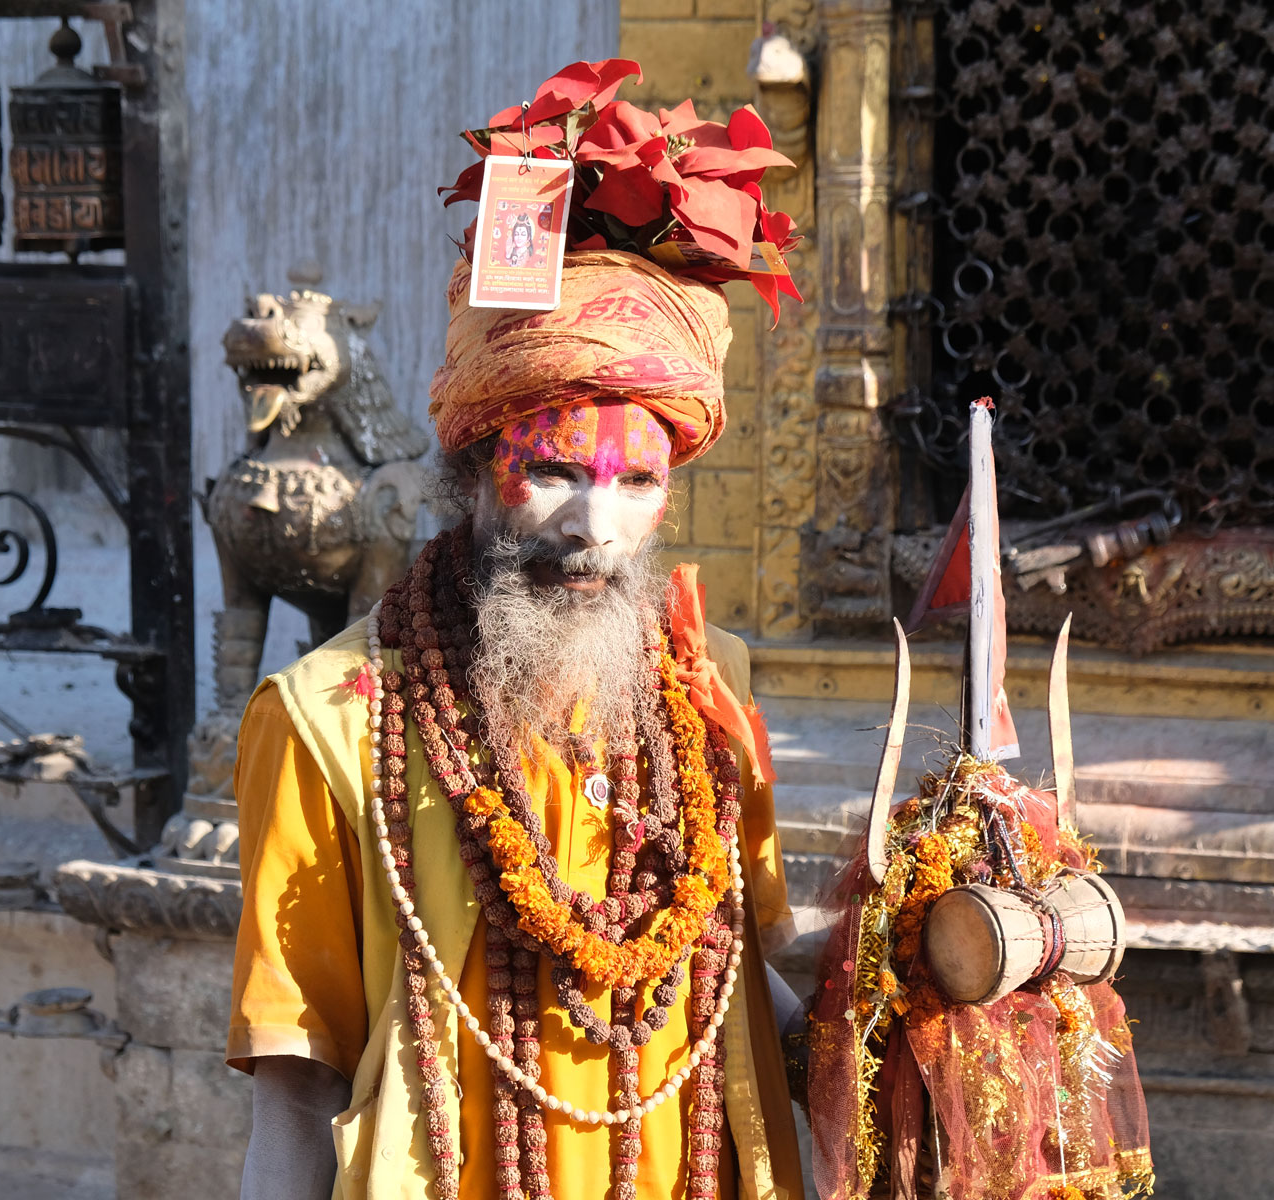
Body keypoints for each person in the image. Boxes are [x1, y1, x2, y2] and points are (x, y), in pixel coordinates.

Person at [229, 62, 806, 1200]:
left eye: (637, 481)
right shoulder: (329, 725)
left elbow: (751, 988)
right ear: (471, 466)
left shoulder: (711, 684)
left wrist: (926, 948)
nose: (597, 526)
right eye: (550, 470)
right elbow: (292, 1104)